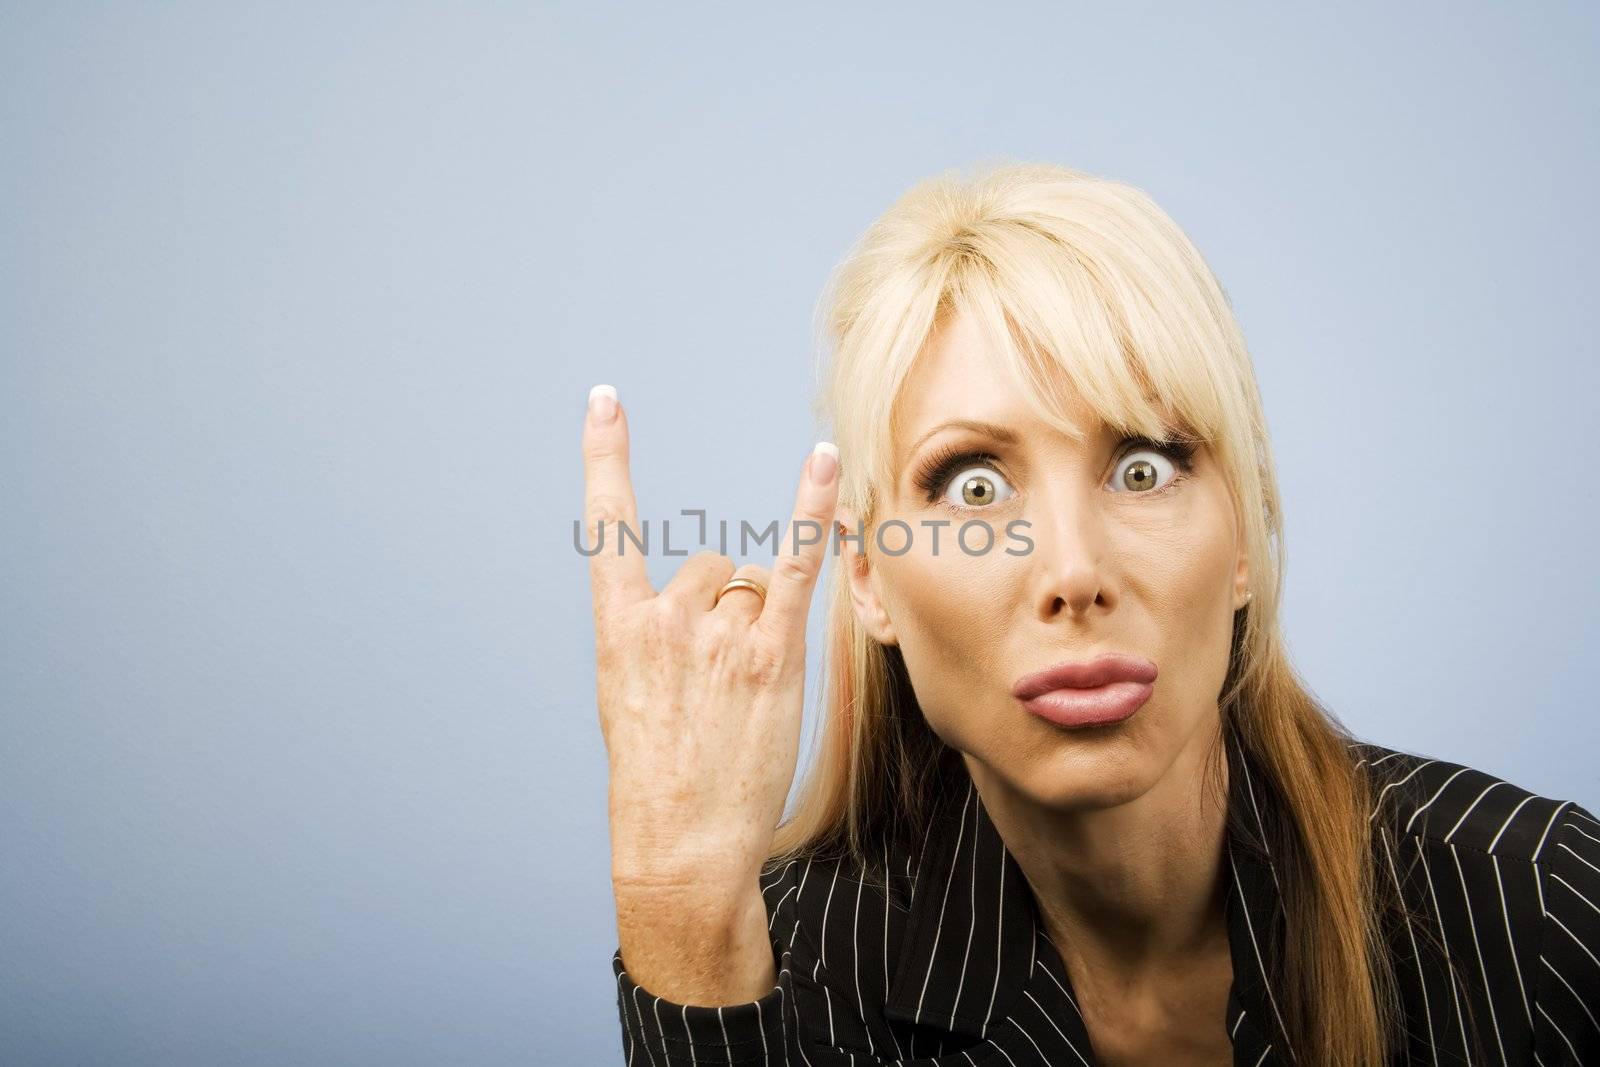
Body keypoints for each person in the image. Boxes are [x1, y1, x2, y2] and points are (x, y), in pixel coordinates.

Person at [583, 162, 1600, 1065]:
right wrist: (680, 909)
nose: (1072, 570)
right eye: (975, 487)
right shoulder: (782, 974)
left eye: (1144, 466)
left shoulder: (1542, 907)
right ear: (869, 580)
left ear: (1245, 539)